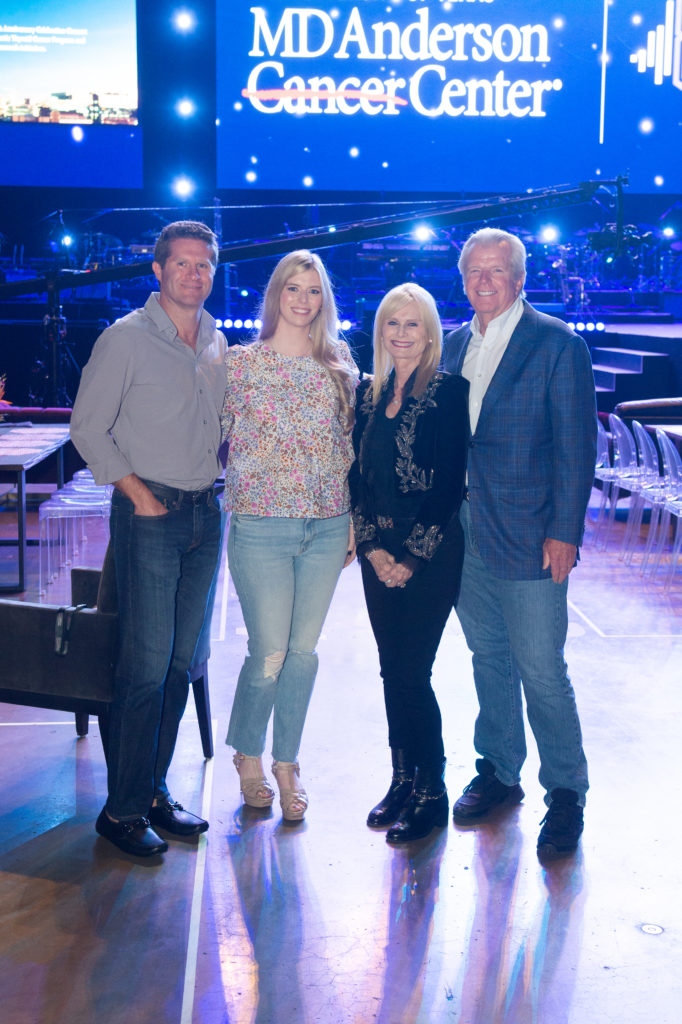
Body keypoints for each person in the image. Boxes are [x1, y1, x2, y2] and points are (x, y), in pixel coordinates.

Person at [70, 220, 226, 857]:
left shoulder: (216, 341)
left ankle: (153, 793)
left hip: (205, 515)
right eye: (181, 263)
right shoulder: (125, 339)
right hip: (151, 514)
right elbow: (87, 427)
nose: (194, 273)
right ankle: (122, 811)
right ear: (157, 270)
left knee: (180, 665)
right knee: (144, 668)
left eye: (203, 264)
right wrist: (139, 496)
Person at [442, 227, 597, 858]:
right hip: (464, 530)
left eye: (496, 270)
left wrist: (565, 531)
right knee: (489, 656)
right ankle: (500, 771)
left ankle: (566, 791)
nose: (484, 281)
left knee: (541, 667)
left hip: (533, 533)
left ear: (519, 277)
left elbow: (576, 446)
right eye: (473, 271)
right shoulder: (453, 345)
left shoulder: (557, 343)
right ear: (463, 279)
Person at [221, 249, 358, 821]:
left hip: (327, 525)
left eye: (314, 290)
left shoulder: (340, 364)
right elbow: (205, 433)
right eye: (293, 288)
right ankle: (248, 754)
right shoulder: (240, 364)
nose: (303, 300)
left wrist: (352, 522)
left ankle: (286, 764)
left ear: (324, 299)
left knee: (303, 655)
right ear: (276, 294)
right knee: (270, 652)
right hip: (261, 525)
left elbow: (349, 449)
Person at [349, 283, 469, 844]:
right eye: (392, 323)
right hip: (378, 552)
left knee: (412, 672)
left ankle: (431, 790)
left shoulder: (449, 391)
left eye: (412, 324)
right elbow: (357, 477)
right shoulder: (366, 394)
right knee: (390, 668)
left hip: (432, 553)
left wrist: (411, 558)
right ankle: (402, 778)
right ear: (381, 332)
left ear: (430, 333)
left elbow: (448, 487)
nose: (401, 333)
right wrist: (372, 548)